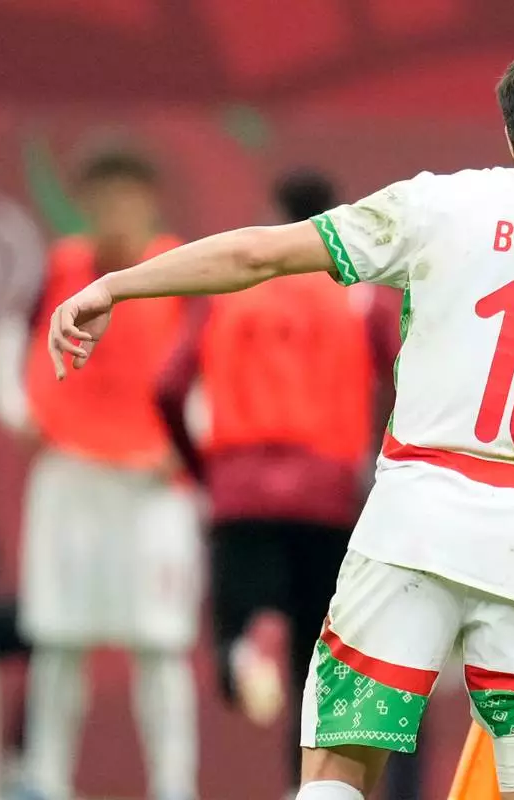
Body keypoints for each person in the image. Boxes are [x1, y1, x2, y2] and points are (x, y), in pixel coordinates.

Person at [44, 48, 514, 800]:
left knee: (336, 777)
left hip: (412, 532)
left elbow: (258, 253)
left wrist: (118, 286)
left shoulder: (440, 205)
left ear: (512, 133)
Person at [154, 169, 402, 795]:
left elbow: (167, 385)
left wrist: (201, 467)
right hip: (328, 495)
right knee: (318, 663)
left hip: (239, 490)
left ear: (270, 213)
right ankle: (307, 788)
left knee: (238, 622)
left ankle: (248, 640)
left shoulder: (226, 289)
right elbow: (407, 374)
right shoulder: (360, 294)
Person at [0, 148, 201, 800]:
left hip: (151, 487)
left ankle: (173, 787)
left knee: (160, 645)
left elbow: (213, 354)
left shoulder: (180, 269)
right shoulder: (62, 268)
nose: (114, 212)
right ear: (84, 204)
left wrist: (193, 442)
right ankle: (47, 783)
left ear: (151, 199)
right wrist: (16, 407)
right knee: (58, 641)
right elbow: (10, 339)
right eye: (101, 199)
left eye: (127, 197)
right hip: (71, 476)